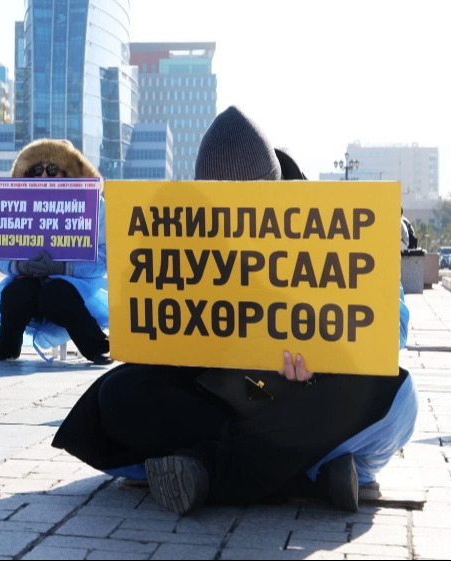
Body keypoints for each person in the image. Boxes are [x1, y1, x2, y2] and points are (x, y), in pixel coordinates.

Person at [51, 106, 417, 515]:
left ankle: (211, 471)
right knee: (116, 397)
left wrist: (324, 356)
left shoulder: (330, 223)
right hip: (225, 400)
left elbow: (391, 329)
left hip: (304, 402)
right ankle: (308, 479)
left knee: (397, 395)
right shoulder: (183, 231)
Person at [0, 138, 110, 364]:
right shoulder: (14, 203)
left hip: (75, 286)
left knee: (57, 294)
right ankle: (7, 346)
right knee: (16, 293)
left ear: (67, 172)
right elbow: (0, 251)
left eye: (52, 169)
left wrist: (63, 267)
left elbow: (104, 260)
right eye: (36, 170)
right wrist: (20, 265)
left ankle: (97, 347)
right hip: (28, 279)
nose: (43, 176)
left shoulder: (94, 204)